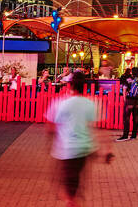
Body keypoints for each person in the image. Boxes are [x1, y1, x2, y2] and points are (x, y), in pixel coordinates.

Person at [46, 71, 112, 207]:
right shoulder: (91, 103)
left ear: (70, 85)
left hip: (67, 151)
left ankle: (72, 200)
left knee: (68, 192)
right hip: (85, 150)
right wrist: (107, 150)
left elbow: (51, 127)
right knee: (74, 186)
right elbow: (100, 129)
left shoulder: (61, 103)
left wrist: (50, 143)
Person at [117, 67, 138, 141]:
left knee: (126, 117)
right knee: (135, 117)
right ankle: (134, 135)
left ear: (132, 72)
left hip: (130, 100)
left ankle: (125, 136)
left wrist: (124, 99)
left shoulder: (128, 80)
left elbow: (124, 89)